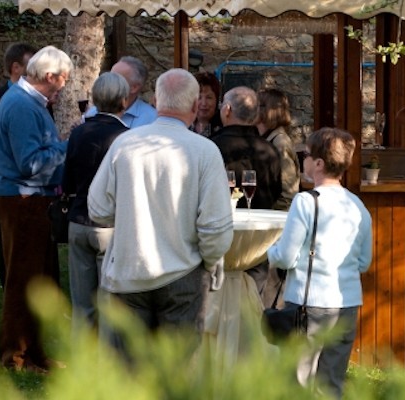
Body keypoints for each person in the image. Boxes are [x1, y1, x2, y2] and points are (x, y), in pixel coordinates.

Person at [88, 68, 233, 346]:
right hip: (183, 273)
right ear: (194, 105)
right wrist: (209, 262)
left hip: (130, 271)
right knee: (177, 368)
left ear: (156, 102)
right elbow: (215, 226)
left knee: (129, 369)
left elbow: (98, 209)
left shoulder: (125, 144)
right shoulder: (204, 150)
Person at [267, 127, 373, 399]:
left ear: (319, 164)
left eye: (305, 155)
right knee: (332, 385)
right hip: (347, 303)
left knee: (298, 383)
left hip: (307, 303)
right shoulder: (358, 206)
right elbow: (364, 262)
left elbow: (286, 256)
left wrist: (270, 252)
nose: (302, 159)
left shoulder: (305, 202)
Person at [0, 45, 73, 373]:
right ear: (50, 76)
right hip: (23, 201)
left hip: (31, 200)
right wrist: (68, 146)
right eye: (64, 78)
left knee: (37, 281)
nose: (64, 86)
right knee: (23, 283)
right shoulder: (22, 106)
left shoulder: (28, 103)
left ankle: (34, 354)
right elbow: (30, 163)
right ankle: (16, 357)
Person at [62, 72, 131, 333]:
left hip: (79, 220)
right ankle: (108, 355)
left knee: (82, 306)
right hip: (110, 226)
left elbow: (66, 181)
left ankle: (82, 355)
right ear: (124, 100)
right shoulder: (127, 137)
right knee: (110, 305)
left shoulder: (79, 133)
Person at [210, 86, 282, 305]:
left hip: (219, 240)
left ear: (227, 110)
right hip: (257, 242)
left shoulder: (212, 147)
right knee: (253, 304)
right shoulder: (269, 150)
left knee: (218, 305)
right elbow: (276, 191)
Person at [0, 42, 36, 287]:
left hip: (33, 189)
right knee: (8, 240)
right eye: (31, 66)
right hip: (5, 186)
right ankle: (9, 289)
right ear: (16, 68)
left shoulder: (39, 100)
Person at [256, 88, 300, 211]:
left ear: (266, 110)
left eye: (255, 105)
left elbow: (287, 193)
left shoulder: (280, 143)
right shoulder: (265, 138)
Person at [82, 56, 156, 128]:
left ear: (134, 87)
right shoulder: (92, 113)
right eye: (110, 76)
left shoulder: (151, 119)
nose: (109, 81)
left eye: (116, 79)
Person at [191, 71, 223, 137]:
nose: (204, 103)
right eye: (199, 97)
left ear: (217, 100)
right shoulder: (184, 125)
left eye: (209, 98)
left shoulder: (224, 127)